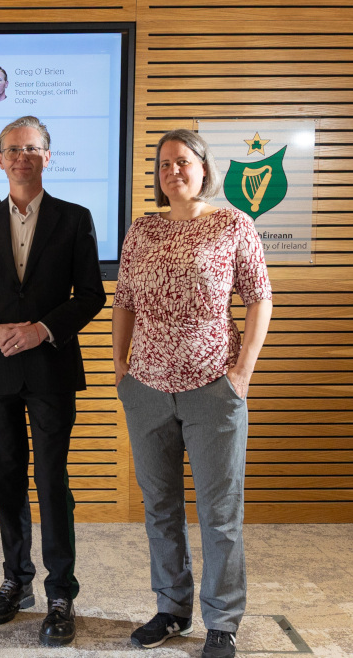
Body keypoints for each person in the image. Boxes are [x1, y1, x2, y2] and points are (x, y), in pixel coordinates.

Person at [113, 129, 272, 658]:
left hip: (213, 387)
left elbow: (259, 298)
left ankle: (222, 620)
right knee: (159, 507)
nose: (172, 171)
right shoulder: (142, 230)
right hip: (147, 389)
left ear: (204, 168)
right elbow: (125, 304)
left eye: (183, 162)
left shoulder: (232, 224)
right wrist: (120, 369)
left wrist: (242, 372)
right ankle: (172, 609)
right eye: (163, 165)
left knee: (218, 511)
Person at [0, 116, 106, 647]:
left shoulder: (74, 218)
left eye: (33, 148)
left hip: (50, 369)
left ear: (48, 156)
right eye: (13, 149)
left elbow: (90, 295)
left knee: (52, 481)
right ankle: (15, 582)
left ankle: (60, 590)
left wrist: (41, 330)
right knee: (7, 481)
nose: (22, 157)